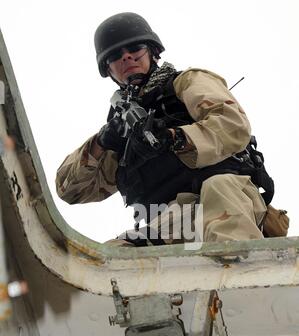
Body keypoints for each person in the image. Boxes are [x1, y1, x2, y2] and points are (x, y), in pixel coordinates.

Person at [56, 12, 274, 247]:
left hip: (225, 197)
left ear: (151, 51)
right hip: (172, 220)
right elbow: (70, 190)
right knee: (112, 255)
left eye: (134, 48)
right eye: (115, 56)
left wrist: (174, 138)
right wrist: (101, 142)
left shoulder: (186, 83)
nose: (127, 57)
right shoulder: (123, 132)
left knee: (218, 189)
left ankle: (238, 276)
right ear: (108, 70)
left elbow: (233, 125)